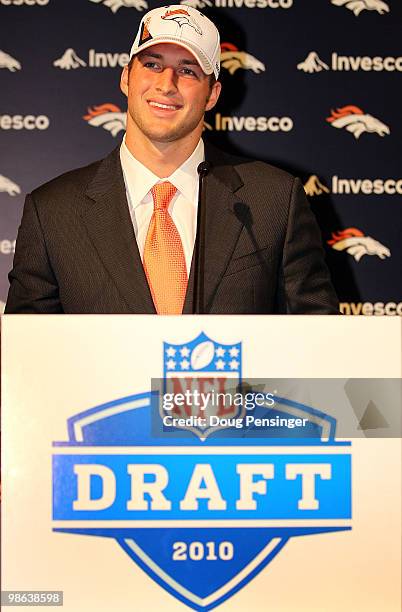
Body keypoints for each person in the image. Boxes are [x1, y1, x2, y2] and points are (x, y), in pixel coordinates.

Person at [5, 5, 338, 315]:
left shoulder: (274, 200)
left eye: (188, 70)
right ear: (126, 78)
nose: (166, 84)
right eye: (152, 64)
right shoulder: (52, 211)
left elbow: (319, 348)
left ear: (213, 95)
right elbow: (26, 358)